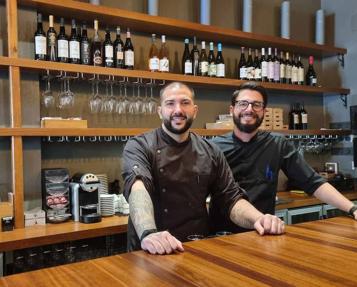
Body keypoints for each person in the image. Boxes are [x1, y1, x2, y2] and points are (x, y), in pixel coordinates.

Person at [122, 81, 285, 255]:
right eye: (170, 103)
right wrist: (148, 233)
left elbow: (230, 198)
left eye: (185, 103)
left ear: (195, 110)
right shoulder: (140, 145)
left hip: (195, 247)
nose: (178, 110)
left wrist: (259, 219)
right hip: (150, 249)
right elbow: (138, 187)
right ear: (160, 111)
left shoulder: (210, 150)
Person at [210, 81, 357, 233]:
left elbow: (313, 182)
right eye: (243, 104)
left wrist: (353, 209)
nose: (249, 109)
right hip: (220, 234)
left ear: (264, 111)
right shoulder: (214, 147)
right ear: (232, 109)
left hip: (263, 232)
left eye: (256, 105)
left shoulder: (277, 144)